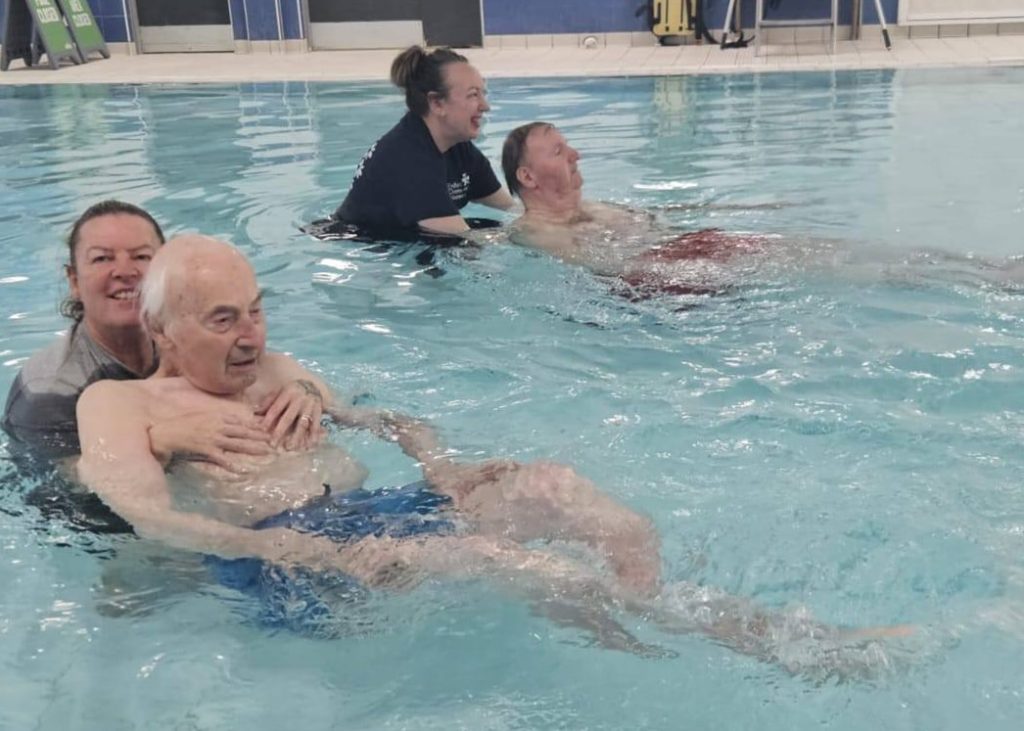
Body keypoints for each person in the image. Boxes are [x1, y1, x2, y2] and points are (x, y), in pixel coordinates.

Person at [76, 234, 911, 670]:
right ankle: (778, 646)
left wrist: (437, 463)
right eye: (224, 320)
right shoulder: (118, 403)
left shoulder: (279, 368)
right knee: (497, 557)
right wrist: (272, 542)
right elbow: (145, 513)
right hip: (293, 562)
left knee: (559, 489)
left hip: (382, 517)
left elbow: (391, 420)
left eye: (256, 310)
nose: (252, 333)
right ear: (161, 331)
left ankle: (657, 623)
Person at [2, 200, 321, 469]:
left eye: (142, 256)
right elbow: (67, 486)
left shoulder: (193, 333)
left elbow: (257, 368)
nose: (126, 272)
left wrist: (306, 392)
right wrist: (155, 443)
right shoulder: (49, 392)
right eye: (102, 258)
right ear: (74, 280)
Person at [501, 122, 773, 297]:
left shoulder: (597, 207)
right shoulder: (536, 233)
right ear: (528, 177)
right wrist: (682, 253)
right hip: (645, 298)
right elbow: (610, 275)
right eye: (559, 152)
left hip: (683, 269)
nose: (576, 155)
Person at [332, 46, 515, 236]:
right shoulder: (408, 159)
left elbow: (511, 207)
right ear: (436, 103)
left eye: (483, 94)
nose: (485, 106)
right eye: (473, 95)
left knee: (492, 228)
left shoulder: (457, 146)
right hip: (355, 244)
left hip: (401, 236)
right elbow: (465, 238)